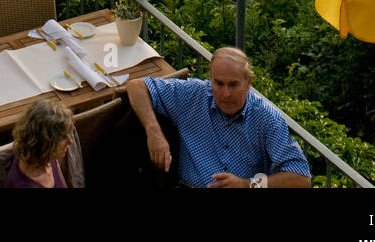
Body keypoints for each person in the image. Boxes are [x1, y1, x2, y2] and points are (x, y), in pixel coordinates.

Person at [126, 47, 312, 190]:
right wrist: (154, 133)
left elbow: (301, 177)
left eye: (233, 84)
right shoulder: (194, 95)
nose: (225, 93)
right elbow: (137, 86)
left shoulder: (266, 118)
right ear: (211, 79)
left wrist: (247, 184)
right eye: (219, 83)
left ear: (248, 83)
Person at [4, 99, 73, 188]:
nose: (70, 141)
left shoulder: (47, 158)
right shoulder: (24, 185)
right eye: (63, 137)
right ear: (44, 142)